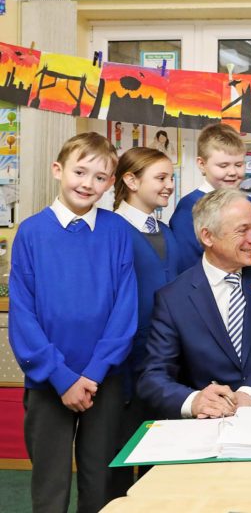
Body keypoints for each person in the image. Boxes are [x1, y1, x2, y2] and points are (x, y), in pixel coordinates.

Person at [9, 132, 137, 512]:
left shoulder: (116, 232)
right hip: (49, 382)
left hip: (104, 380)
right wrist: (62, 378)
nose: (88, 183)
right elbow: (24, 315)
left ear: (110, 182)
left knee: (101, 482)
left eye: (100, 177)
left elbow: (124, 313)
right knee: (50, 485)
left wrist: (93, 374)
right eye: (80, 172)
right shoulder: (31, 232)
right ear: (57, 170)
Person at [138, 188, 251, 418]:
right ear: (208, 236)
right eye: (243, 230)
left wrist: (248, 394)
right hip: (215, 421)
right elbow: (154, 377)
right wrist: (195, 401)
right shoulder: (172, 298)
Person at [110, 147, 180, 495]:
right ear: (131, 180)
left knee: (161, 465)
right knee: (118, 461)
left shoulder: (168, 232)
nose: (169, 185)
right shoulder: (111, 230)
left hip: (164, 363)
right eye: (161, 178)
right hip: (123, 367)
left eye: (171, 178)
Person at [170, 123, 251, 273]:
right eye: (223, 166)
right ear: (202, 164)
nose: (232, 172)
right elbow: (188, 266)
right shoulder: (188, 209)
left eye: (238, 164)